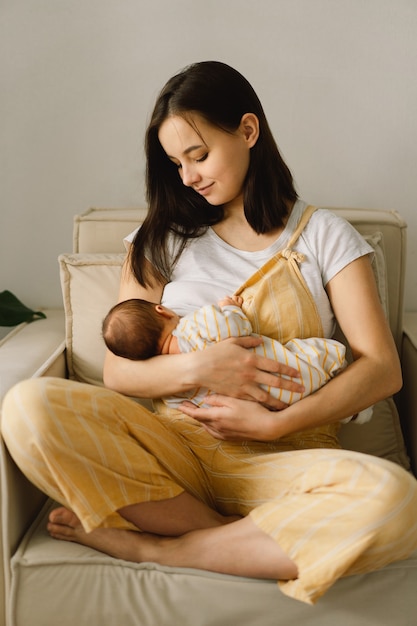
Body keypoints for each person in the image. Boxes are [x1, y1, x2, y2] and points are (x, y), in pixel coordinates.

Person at [2, 60, 417, 606]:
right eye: (176, 163)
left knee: (394, 499)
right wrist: (201, 368)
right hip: (173, 449)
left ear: (248, 131)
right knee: (26, 407)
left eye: (198, 155)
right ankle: (237, 539)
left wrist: (275, 425)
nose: (189, 176)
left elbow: (381, 369)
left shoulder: (326, 236)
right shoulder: (163, 238)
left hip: (284, 457)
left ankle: (165, 548)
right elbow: (119, 371)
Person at [101, 294, 372, 423]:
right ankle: (341, 389)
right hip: (289, 368)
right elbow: (236, 328)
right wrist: (230, 307)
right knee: (317, 353)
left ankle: (346, 414)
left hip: (266, 408)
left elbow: (195, 409)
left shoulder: (169, 393)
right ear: (162, 311)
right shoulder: (194, 326)